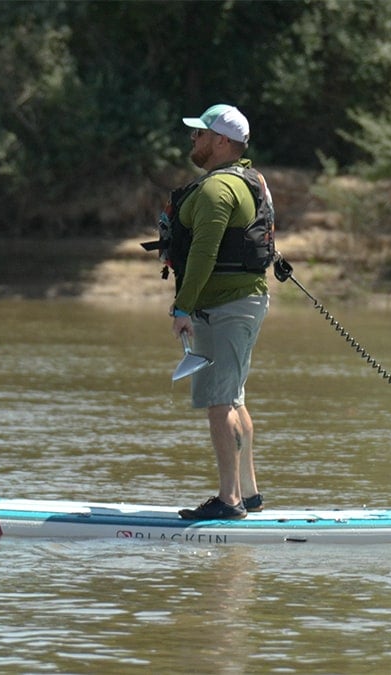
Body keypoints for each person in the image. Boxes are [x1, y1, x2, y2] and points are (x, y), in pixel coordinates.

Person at [164, 104, 273, 521]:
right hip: (245, 303)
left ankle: (229, 501)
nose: (194, 139)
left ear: (221, 141)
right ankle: (249, 493)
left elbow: (205, 253)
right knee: (234, 398)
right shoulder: (253, 180)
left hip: (224, 307)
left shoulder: (216, 190)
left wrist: (182, 306)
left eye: (201, 134)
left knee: (219, 402)